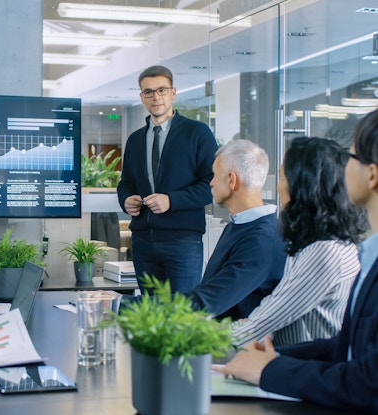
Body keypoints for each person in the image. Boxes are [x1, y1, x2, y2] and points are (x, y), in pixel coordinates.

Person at [216, 109, 378, 413]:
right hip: (311, 383)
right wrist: (272, 360)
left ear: (371, 175)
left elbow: (366, 382)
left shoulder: (326, 253)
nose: (344, 168)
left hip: (317, 394)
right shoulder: (355, 251)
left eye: (352, 157)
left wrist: (267, 368)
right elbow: (342, 344)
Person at [231, 136, 366, 347]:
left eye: (283, 178)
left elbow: (259, 325)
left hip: (304, 370)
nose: (277, 188)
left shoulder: (324, 253)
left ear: (303, 188)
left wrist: (193, 337)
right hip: (293, 365)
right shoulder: (319, 244)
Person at [117, 65, 218, 293]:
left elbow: (212, 184)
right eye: (149, 92)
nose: (156, 97)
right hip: (143, 241)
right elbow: (126, 183)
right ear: (141, 97)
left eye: (162, 90)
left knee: (183, 314)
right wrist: (126, 199)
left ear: (173, 93)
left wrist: (171, 200)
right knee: (151, 316)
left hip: (183, 242)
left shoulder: (197, 133)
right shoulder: (135, 140)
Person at [185, 139, 286, 319]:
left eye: (215, 175)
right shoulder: (240, 224)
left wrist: (122, 304)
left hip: (236, 344)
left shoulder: (262, 240)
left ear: (232, 180)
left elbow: (207, 303)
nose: (211, 183)